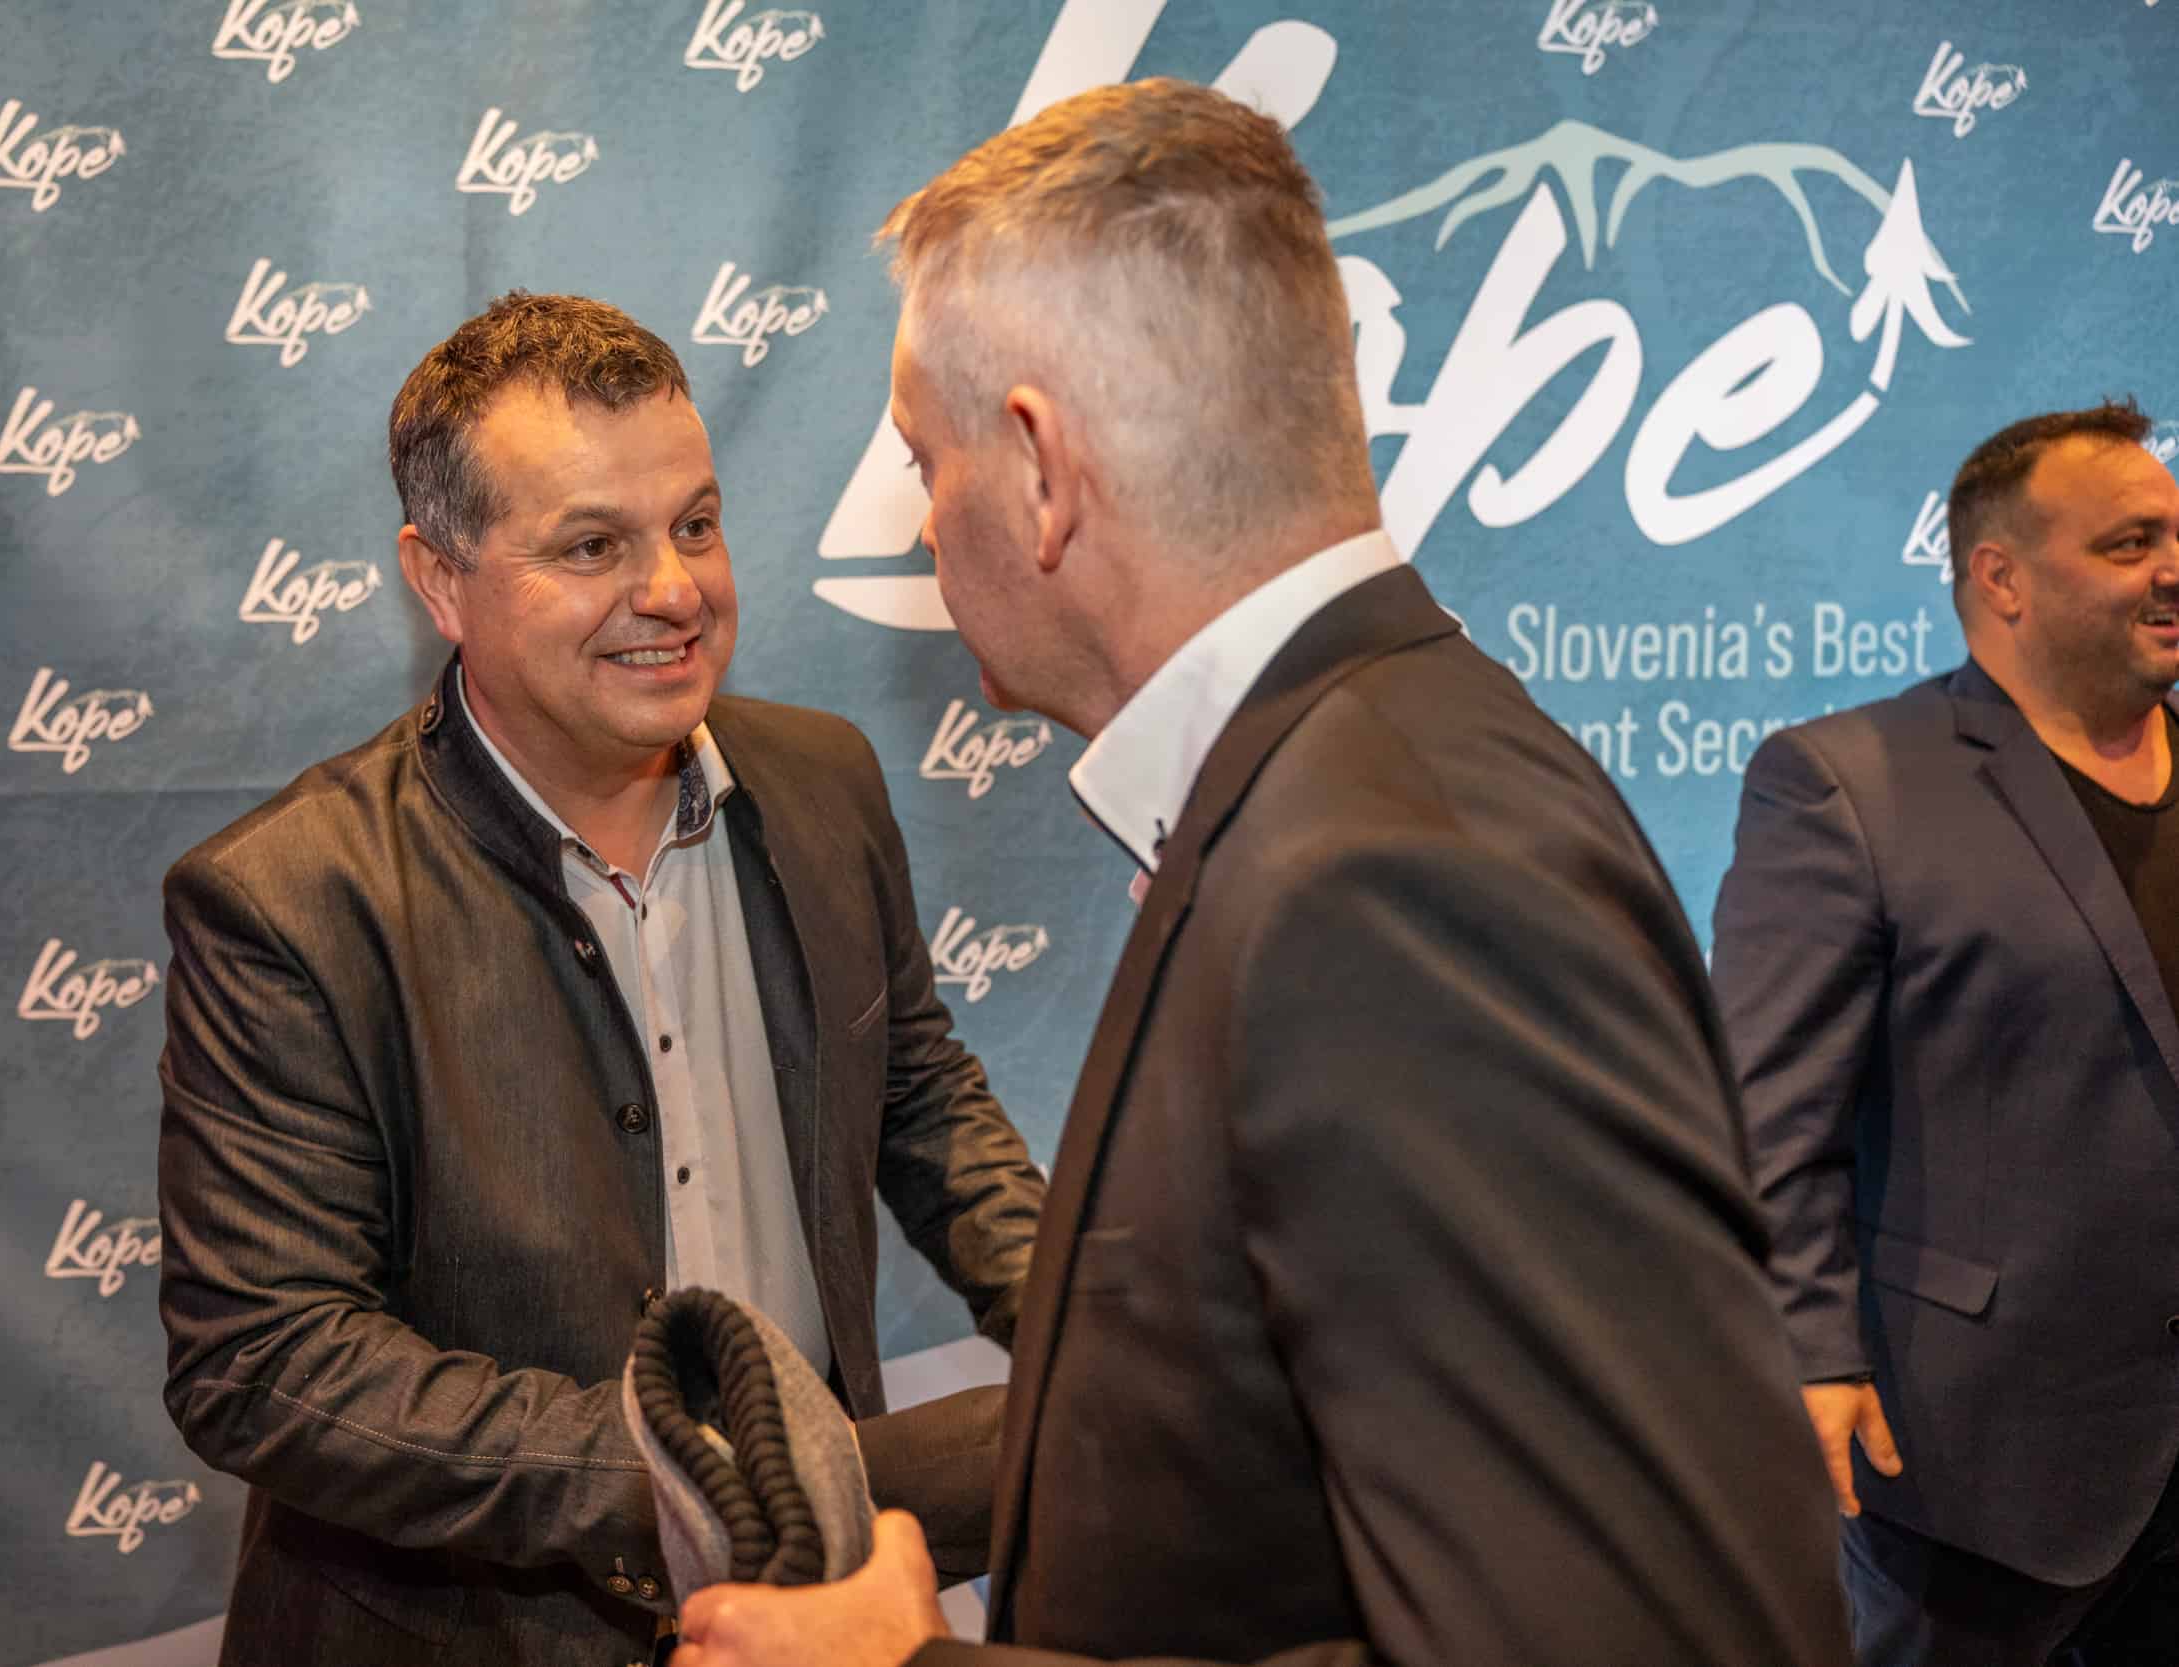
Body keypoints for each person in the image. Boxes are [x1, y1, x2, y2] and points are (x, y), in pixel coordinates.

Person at [675, 78, 1850, 1667]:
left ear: (1042, 467)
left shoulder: (1391, 876)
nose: (925, 527)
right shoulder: (1339, 781)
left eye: (922, 461)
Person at [155, 292, 1047, 1667]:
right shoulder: (290, 901)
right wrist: (688, 1475)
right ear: (439, 580)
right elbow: (266, 1359)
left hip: (814, 1613)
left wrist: (1092, 1338)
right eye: (592, 545)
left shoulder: (825, 780)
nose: (674, 589)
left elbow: (919, 1095)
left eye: (695, 523)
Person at [1709, 402, 2179, 1666]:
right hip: (1968, 1469)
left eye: (2177, 535)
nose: (2172, 567)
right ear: (2000, 577)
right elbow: (1767, 1114)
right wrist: (1805, 1350)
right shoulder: (1845, 782)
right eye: (2130, 542)